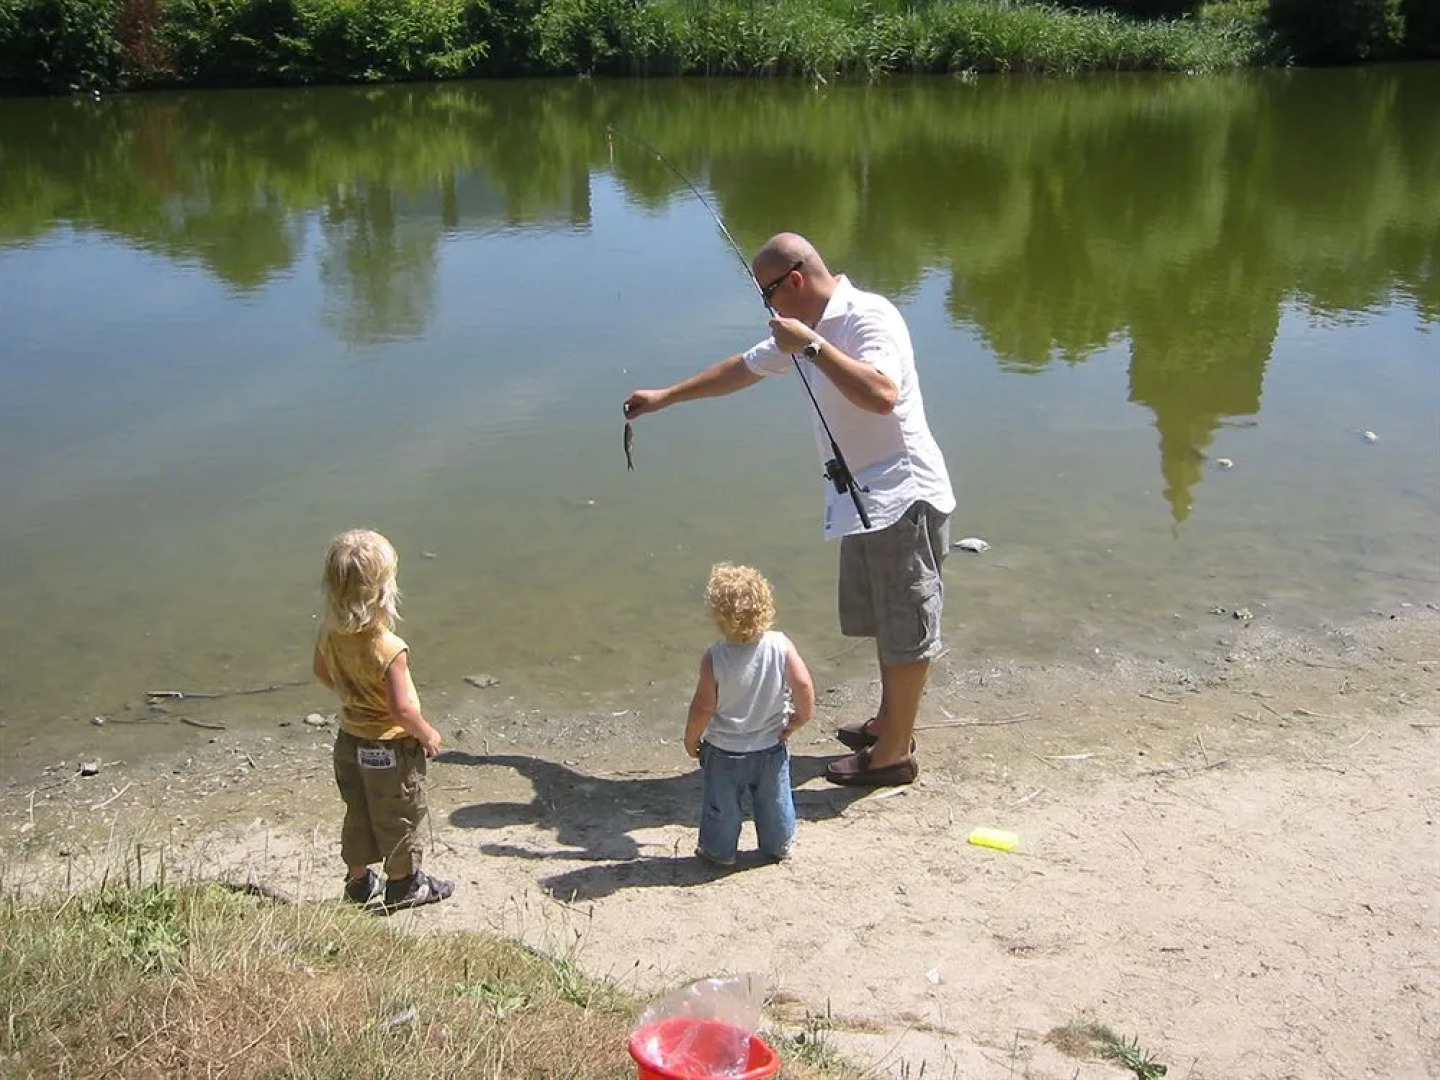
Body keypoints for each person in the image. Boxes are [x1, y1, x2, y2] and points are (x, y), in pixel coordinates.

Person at [626, 233, 954, 787]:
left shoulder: (866, 318)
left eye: (767, 294)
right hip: (863, 499)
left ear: (795, 281)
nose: (767, 307)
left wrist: (812, 347)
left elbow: (881, 395)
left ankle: (894, 754)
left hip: (904, 495)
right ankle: (888, 723)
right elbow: (742, 368)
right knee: (886, 623)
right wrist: (666, 397)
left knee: (908, 628)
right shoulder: (807, 331)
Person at [312, 528, 455, 912]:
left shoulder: (330, 632)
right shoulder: (388, 648)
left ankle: (358, 881)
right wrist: (427, 734)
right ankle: (404, 884)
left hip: (349, 740)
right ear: (383, 590)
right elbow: (402, 709)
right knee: (398, 814)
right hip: (390, 747)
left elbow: (322, 673)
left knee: (357, 809)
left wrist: (353, 695)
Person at [685, 563, 815, 866]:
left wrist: (691, 739)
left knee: (723, 806)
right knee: (774, 799)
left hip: (725, 751)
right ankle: (778, 843)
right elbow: (804, 685)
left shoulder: (715, 656)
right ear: (766, 607)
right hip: (770, 745)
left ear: (718, 617)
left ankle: (719, 851)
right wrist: (799, 718)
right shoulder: (780, 646)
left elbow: (704, 706)